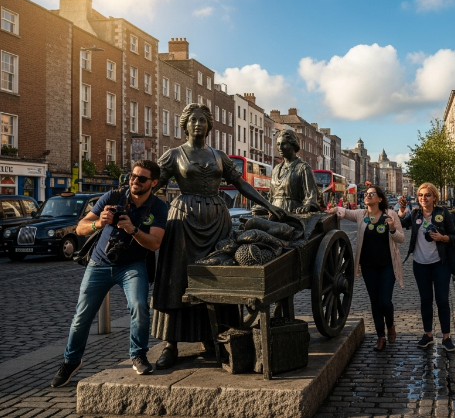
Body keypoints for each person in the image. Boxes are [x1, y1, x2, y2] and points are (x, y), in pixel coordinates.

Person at [150, 103, 286, 369]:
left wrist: (269, 204)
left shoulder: (219, 156)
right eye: (193, 120)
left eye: (203, 120)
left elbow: (241, 183)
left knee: (218, 278)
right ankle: (171, 343)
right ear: (185, 125)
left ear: (209, 126)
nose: (198, 124)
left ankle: (215, 338)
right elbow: (155, 185)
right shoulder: (173, 155)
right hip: (183, 222)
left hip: (216, 220)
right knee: (178, 278)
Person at [51, 161, 169, 387]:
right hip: (99, 263)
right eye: (132, 176)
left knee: (139, 307)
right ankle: (71, 361)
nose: (135, 181)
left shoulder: (157, 207)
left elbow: (154, 243)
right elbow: (80, 228)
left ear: (154, 183)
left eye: (141, 178)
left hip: (133, 265)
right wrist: (98, 223)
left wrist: (132, 229)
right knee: (81, 317)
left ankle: (138, 355)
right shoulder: (113, 197)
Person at [327, 185, 404, 351]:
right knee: (374, 302)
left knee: (385, 301)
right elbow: (344, 212)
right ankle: (380, 336)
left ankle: (390, 324)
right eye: (366, 194)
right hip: (368, 266)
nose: (367, 196)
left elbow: (401, 239)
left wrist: (391, 229)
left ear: (380, 198)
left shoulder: (390, 215)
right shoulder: (362, 215)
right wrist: (333, 209)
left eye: (371, 194)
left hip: (387, 265)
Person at [398, 183, 455, 352]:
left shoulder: (443, 213)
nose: (423, 198)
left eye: (427, 195)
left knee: (442, 300)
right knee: (425, 301)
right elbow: (402, 223)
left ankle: (446, 337)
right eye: (420, 195)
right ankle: (428, 335)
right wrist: (401, 209)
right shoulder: (416, 213)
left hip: (440, 264)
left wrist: (442, 237)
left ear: (434, 197)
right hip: (420, 264)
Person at [270, 129, 320, 214]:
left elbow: (311, 195)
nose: (280, 148)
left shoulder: (303, 168)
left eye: (284, 144)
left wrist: (307, 206)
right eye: (278, 144)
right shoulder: (276, 169)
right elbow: (271, 196)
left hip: (293, 212)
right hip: (274, 212)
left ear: (293, 145)